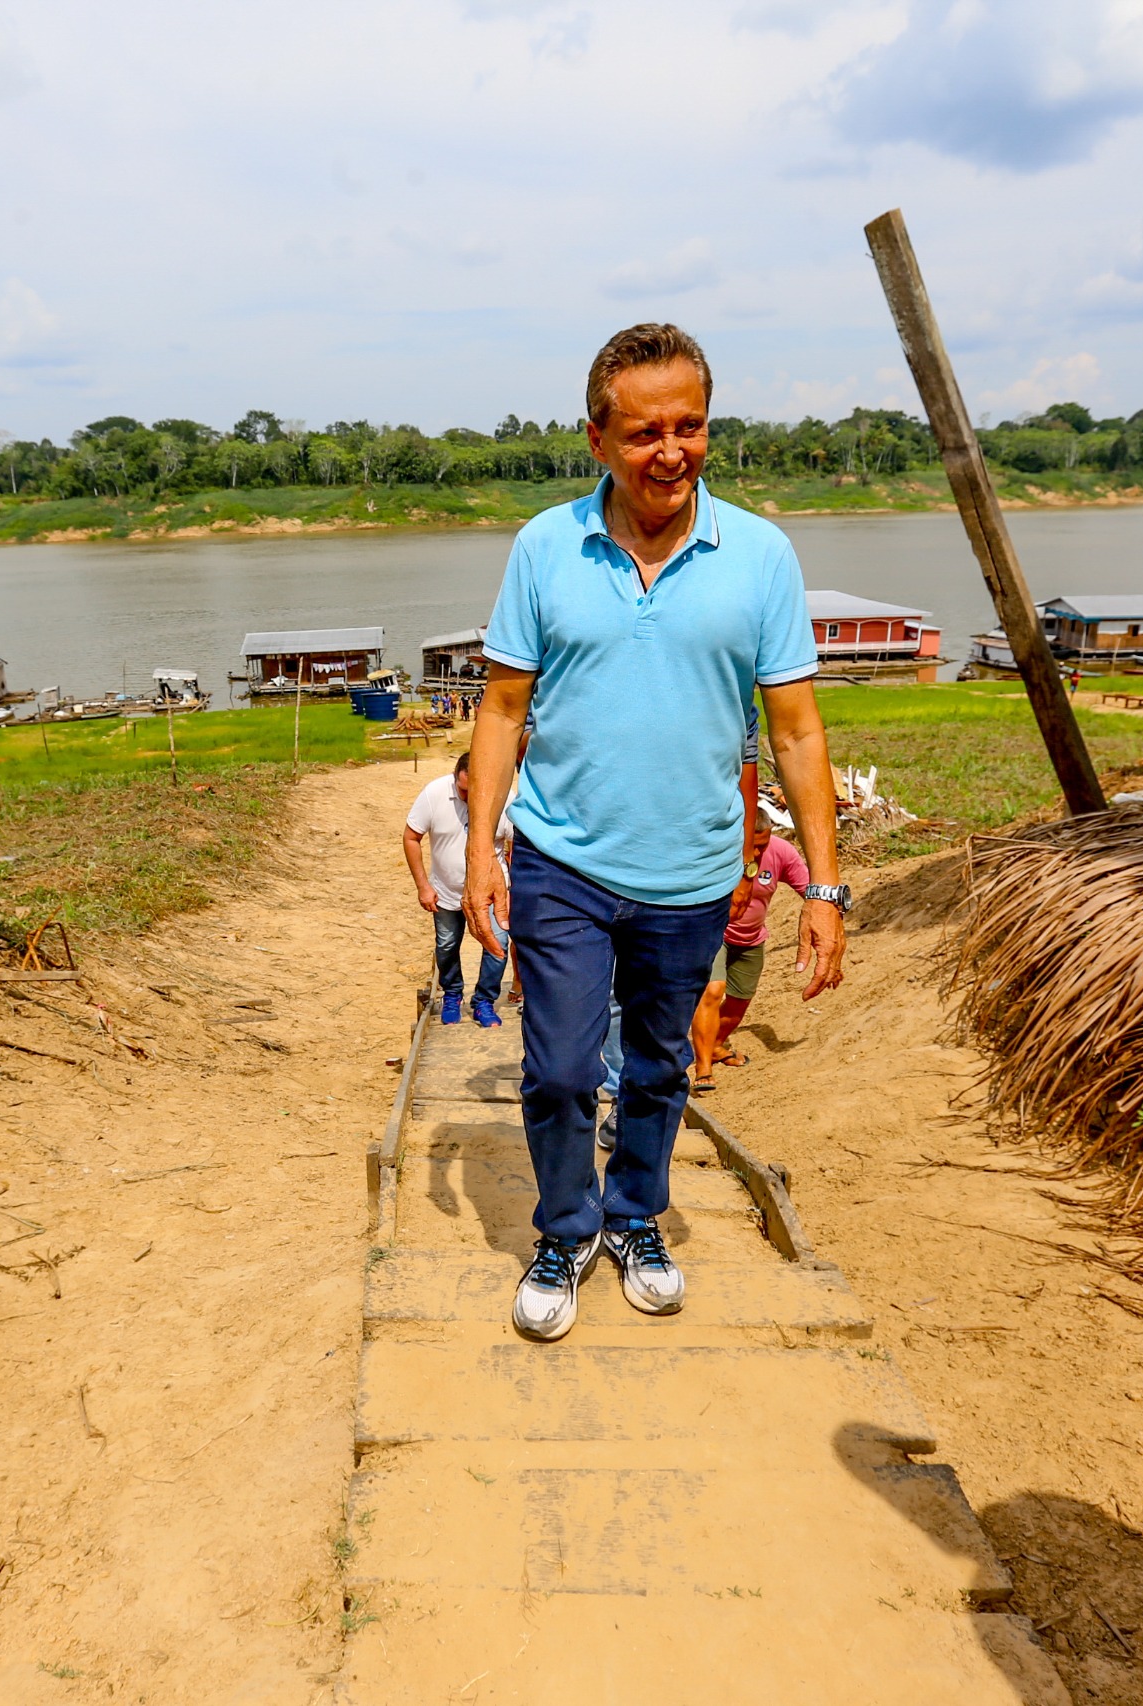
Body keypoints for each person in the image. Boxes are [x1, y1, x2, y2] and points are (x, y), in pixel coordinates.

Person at [460, 322, 850, 1343]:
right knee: (554, 1068)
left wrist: (822, 886)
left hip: (691, 874)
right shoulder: (544, 546)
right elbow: (502, 708)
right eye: (642, 432)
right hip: (562, 861)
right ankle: (564, 1227)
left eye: (689, 426)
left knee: (659, 1064)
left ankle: (635, 1216)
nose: (668, 451)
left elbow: (798, 730)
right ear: (597, 438)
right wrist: (477, 852)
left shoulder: (759, 555)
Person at [691, 815, 808, 1092]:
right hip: (715, 932)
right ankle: (703, 1067)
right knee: (712, 990)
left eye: (762, 845)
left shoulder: (781, 852)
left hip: (752, 939)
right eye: (752, 846)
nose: (757, 853)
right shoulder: (718, 851)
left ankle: (717, 1045)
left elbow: (809, 889)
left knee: (739, 1001)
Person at [404, 751, 511, 1026]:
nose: (467, 797)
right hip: (445, 892)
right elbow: (411, 837)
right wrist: (423, 886)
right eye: (462, 790)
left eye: (472, 791)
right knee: (447, 944)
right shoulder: (434, 793)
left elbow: (516, 847)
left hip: (488, 894)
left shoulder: (504, 799)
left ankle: (484, 1001)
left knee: (498, 944)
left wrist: (511, 889)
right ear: (455, 778)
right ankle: (452, 994)